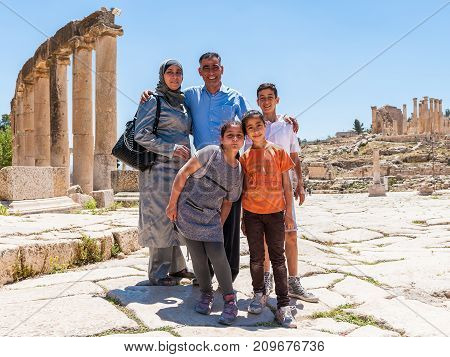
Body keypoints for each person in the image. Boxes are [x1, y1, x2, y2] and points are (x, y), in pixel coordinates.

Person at [166, 120, 244, 325]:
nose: (234, 140)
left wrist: (219, 223)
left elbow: (228, 201)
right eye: (230, 136)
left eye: (239, 136)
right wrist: (172, 205)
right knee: (199, 260)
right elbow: (183, 174)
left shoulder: (238, 171)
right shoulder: (210, 153)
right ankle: (206, 294)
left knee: (218, 257)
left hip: (210, 219)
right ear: (222, 139)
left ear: (243, 140)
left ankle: (230, 301)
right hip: (188, 213)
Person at [247, 83, 318, 303]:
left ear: (277, 100)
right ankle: (267, 278)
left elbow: (294, 157)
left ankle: (294, 280)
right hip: (261, 191)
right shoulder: (253, 127)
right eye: (262, 98)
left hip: (283, 188)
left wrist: (300, 183)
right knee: (266, 238)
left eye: (270, 97)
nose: (266, 101)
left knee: (291, 233)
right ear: (257, 101)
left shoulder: (286, 126)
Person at [134, 59, 194, 286]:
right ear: (162, 75)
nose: (175, 77)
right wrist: (171, 149)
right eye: (170, 72)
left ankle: (177, 268)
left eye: (179, 72)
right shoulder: (152, 100)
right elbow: (142, 134)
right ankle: (158, 273)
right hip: (158, 169)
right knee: (159, 218)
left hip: (180, 169)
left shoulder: (182, 103)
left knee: (176, 216)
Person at [240, 110, 296, 328]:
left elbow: (287, 185)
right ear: (246, 133)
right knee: (255, 258)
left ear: (265, 126)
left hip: (275, 214)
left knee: (278, 259)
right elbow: (244, 188)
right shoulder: (244, 157)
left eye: (258, 125)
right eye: (250, 127)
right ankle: (259, 294)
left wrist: (289, 213)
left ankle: (283, 305)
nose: (255, 130)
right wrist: (244, 217)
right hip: (253, 214)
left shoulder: (279, 152)